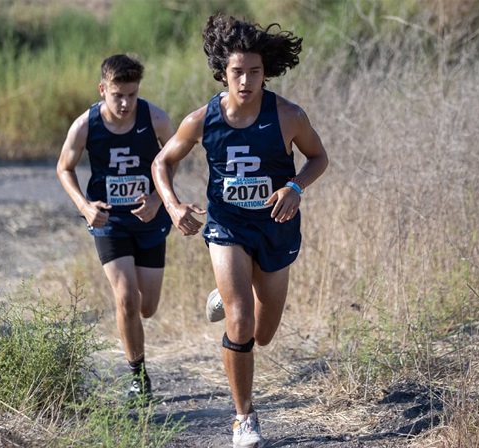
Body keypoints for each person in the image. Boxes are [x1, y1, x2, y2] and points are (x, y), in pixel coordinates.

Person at [152, 14, 329, 448]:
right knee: (242, 321)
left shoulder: (288, 115)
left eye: (254, 72)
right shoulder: (202, 120)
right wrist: (173, 207)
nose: (246, 81)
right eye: (237, 72)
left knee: (264, 334)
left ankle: (227, 295)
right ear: (222, 72)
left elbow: (318, 158)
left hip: (276, 229)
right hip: (227, 226)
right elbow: (162, 162)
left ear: (265, 72)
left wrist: (294, 186)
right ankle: (244, 418)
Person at [57, 54, 175, 402]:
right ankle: (139, 375)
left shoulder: (155, 118)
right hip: (109, 222)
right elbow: (65, 168)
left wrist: (157, 197)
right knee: (125, 298)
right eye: (117, 95)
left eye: (132, 95)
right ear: (102, 90)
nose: (125, 103)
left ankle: (134, 327)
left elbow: (172, 158)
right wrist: (85, 206)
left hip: (150, 219)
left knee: (146, 306)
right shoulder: (84, 125)